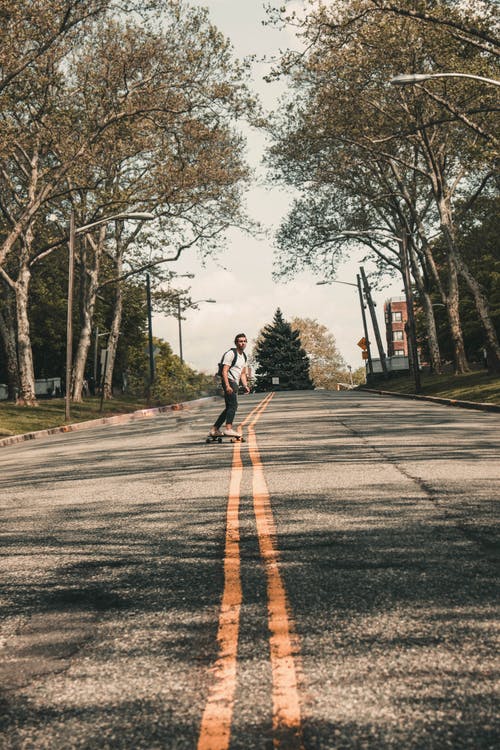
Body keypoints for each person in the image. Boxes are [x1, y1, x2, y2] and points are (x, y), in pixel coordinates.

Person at [210, 333, 250, 437]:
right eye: (240, 341)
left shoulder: (244, 356)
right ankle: (228, 428)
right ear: (236, 343)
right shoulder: (231, 354)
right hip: (229, 380)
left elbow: (242, 373)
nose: (243, 343)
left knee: (229, 407)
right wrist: (227, 386)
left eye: (244, 341)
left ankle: (214, 430)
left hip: (235, 383)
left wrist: (245, 385)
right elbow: (224, 371)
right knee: (234, 405)